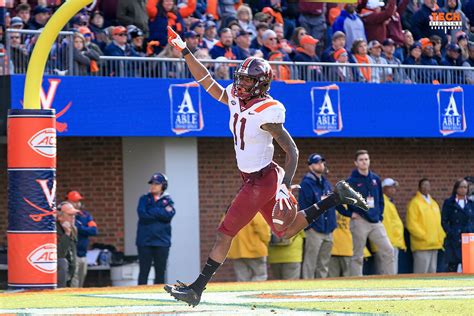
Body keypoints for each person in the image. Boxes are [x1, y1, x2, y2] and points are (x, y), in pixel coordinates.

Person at [165, 27, 368, 307]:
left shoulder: (268, 110)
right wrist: (185, 51)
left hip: (263, 179)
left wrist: (284, 185)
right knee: (286, 230)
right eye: (241, 79)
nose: (241, 84)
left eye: (248, 81)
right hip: (255, 177)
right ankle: (337, 196)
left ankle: (197, 288)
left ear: (260, 84)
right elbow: (207, 82)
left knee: (225, 232)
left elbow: (292, 150)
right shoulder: (236, 97)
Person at [342, 150, 395, 276]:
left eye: (366, 159)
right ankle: (356, 283)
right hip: (359, 221)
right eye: (361, 160)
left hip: (375, 221)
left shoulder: (375, 179)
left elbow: (380, 200)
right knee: (358, 255)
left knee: (388, 250)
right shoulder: (351, 181)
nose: (364, 162)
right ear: (356, 163)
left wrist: (379, 215)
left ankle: (391, 280)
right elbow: (339, 202)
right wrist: (350, 214)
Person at [300, 154, 337, 279]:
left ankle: (320, 289)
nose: (320, 165)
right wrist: (309, 227)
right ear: (310, 166)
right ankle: (306, 288)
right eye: (316, 163)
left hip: (328, 228)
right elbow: (304, 207)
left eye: (321, 162)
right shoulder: (306, 184)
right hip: (314, 229)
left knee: (324, 264)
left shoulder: (326, 183)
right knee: (310, 263)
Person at [136, 172, 176, 285]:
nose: (153, 186)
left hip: (162, 242)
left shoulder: (168, 200)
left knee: (160, 273)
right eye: (152, 183)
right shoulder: (143, 199)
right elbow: (142, 215)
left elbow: (169, 215)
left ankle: (158, 295)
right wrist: (160, 213)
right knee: (144, 272)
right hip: (145, 241)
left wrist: (152, 211)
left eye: (157, 184)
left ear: (163, 185)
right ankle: (140, 296)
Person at [406, 178, 445, 274]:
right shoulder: (414, 203)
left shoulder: (434, 203)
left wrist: (441, 236)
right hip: (422, 245)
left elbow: (438, 223)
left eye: (428, 185)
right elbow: (412, 224)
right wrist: (424, 236)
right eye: (424, 185)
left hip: (435, 244)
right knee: (421, 272)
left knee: (432, 272)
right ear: (419, 187)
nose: (426, 187)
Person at [442, 179, 474, 272]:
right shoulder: (449, 203)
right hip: (454, 238)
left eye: (465, 187)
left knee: (469, 265)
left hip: (468, 238)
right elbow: (444, 220)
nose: (463, 189)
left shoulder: (471, 203)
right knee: (452, 265)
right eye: (461, 187)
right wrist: (450, 232)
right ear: (456, 188)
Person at [227, 213, 271, 281]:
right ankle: (255, 290)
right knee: (260, 275)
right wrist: (266, 242)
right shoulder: (254, 211)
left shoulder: (230, 213)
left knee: (242, 278)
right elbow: (263, 229)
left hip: (236, 251)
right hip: (255, 250)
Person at [68, 191, 98, 288]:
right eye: (74, 201)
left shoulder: (85, 215)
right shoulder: (68, 215)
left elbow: (94, 230)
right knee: (74, 281)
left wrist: (81, 228)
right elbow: (74, 229)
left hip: (83, 253)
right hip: (73, 254)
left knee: (81, 280)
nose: (77, 204)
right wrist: (84, 228)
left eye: (79, 201)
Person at [381, 178, 406, 274]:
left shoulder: (389, 202)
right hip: (387, 242)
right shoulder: (382, 202)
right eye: (390, 187)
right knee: (386, 272)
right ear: (384, 188)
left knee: (392, 272)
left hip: (393, 242)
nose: (393, 190)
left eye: (394, 188)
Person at [57, 201, 79, 288]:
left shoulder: (73, 229)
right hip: (61, 272)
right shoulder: (54, 229)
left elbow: (73, 250)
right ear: (60, 217)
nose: (73, 218)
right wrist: (66, 233)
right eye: (70, 215)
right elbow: (60, 254)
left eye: (74, 215)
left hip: (72, 271)